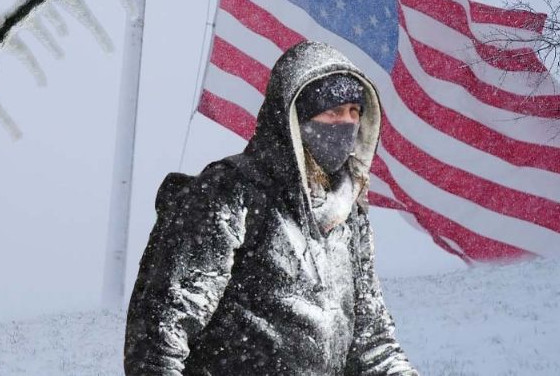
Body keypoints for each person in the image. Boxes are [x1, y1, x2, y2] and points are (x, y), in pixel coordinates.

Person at [125, 41, 417, 375]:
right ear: (295, 118)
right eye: (332, 112)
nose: (346, 124)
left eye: (354, 112)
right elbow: (161, 336)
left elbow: (373, 344)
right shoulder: (230, 192)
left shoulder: (348, 213)